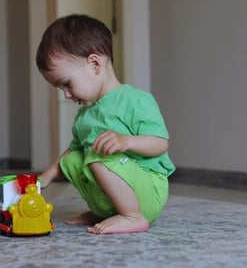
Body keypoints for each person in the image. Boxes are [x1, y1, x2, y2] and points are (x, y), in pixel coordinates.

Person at [36, 14, 175, 234]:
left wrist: (126, 142)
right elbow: (72, 151)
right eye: (60, 89)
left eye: (67, 84)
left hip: (147, 192)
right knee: (74, 158)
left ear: (94, 64)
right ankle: (106, 210)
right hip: (115, 183)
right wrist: (47, 176)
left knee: (96, 155)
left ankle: (132, 216)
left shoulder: (136, 100)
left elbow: (160, 143)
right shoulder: (84, 116)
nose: (67, 95)